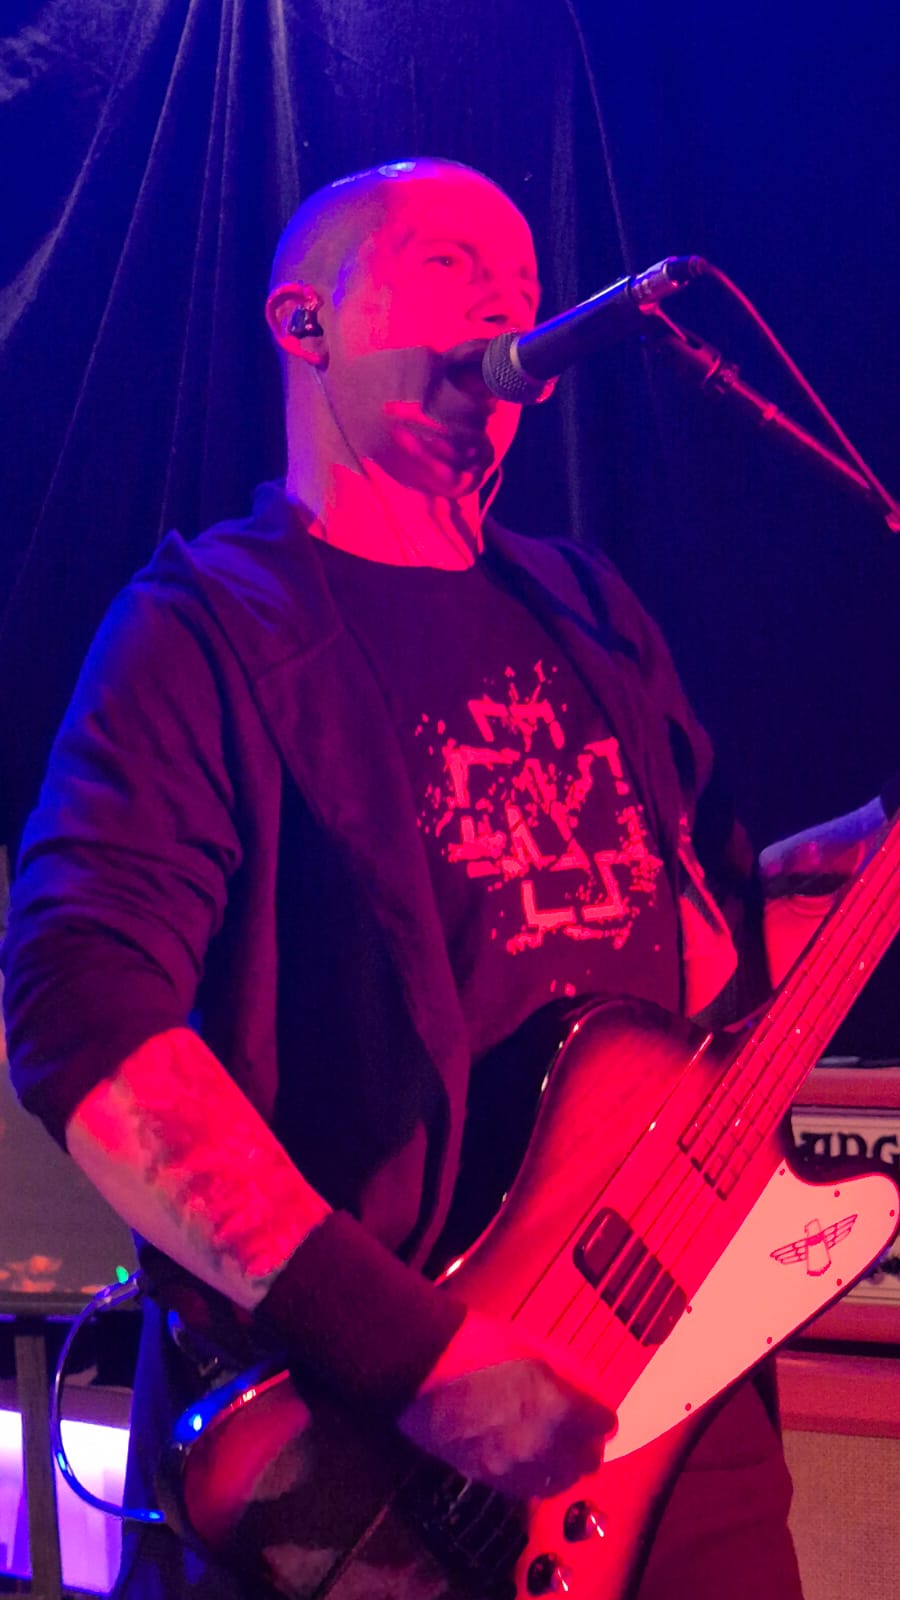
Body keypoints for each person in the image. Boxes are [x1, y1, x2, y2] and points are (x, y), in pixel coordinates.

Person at [3, 157, 891, 1600]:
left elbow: (707, 962)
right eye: (447, 268)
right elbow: (79, 1015)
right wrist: (410, 1356)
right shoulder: (203, 630)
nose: (507, 311)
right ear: (304, 321)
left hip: (683, 1433)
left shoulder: (593, 612)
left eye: (525, 286)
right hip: (377, 1470)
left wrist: (847, 864)